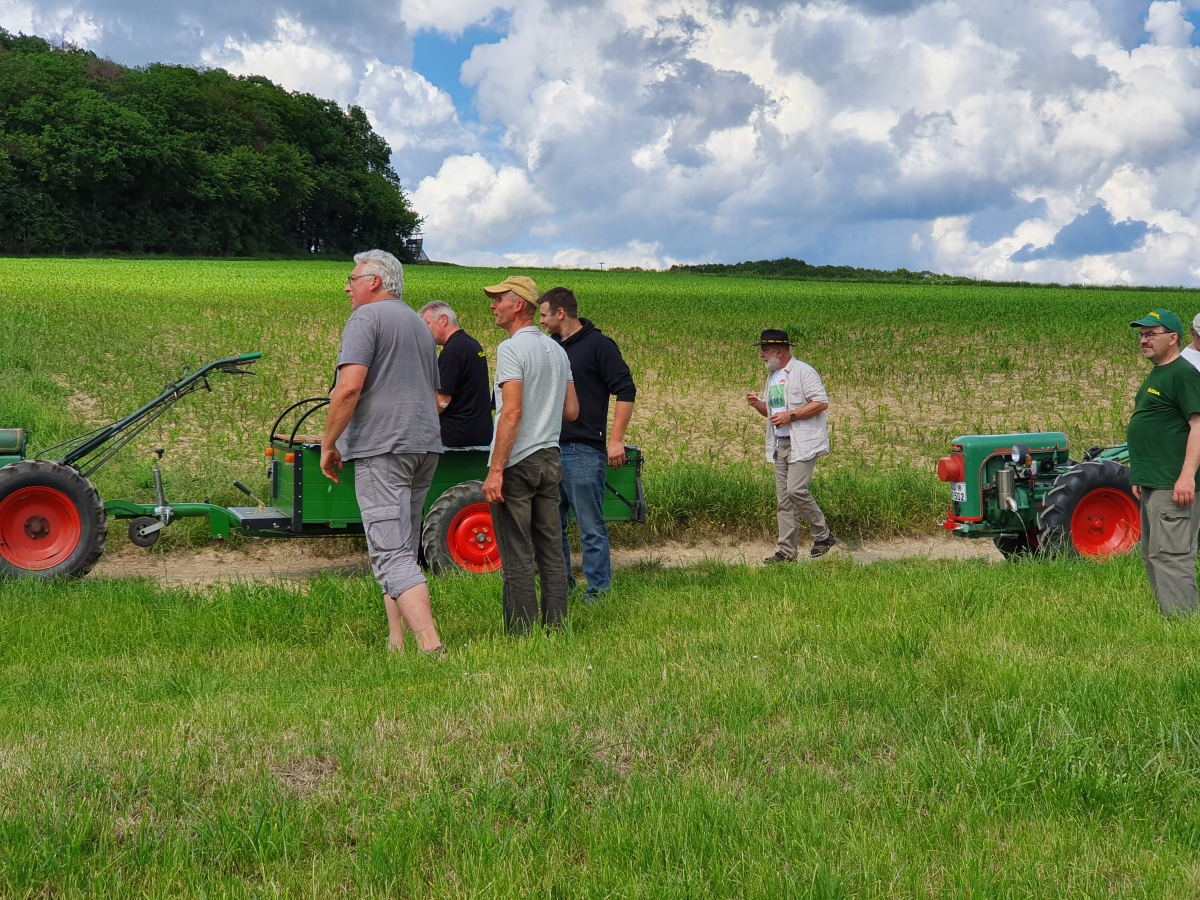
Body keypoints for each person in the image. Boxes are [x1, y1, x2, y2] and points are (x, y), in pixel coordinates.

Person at [320, 249, 445, 654]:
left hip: (383, 446)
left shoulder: (366, 318)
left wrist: (329, 443)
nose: (347, 287)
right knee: (403, 547)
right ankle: (397, 642)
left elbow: (349, 387)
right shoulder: (419, 325)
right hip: (424, 444)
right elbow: (433, 392)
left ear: (374, 281)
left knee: (390, 552)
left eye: (352, 279)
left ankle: (431, 646)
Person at [482, 275, 580, 635]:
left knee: (517, 553)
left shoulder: (510, 349)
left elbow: (511, 412)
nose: (493, 306)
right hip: (551, 459)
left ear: (518, 304)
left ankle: (521, 634)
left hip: (518, 462)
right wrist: (546, 407)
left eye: (499, 300)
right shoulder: (557, 350)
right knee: (551, 550)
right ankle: (557, 627)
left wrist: (496, 471)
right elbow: (571, 410)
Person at [538, 286, 636, 602]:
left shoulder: (598, 346)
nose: (541, 322)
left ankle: (598, 592)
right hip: (550, 449)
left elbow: (626, 389)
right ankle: (560, 589)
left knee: (590, 528)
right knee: (553, 527)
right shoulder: (551, 347)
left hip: (583, 450)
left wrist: (616, 440)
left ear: (561, 313)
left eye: (543, 314)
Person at [1128, 309, 1200, 616]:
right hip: (1153, 481)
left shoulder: (1183, 374)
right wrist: (1140, 474)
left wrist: (1186, 476)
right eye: (1141, 335)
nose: (1144, 340)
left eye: (1151, 334)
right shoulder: (1160, 373)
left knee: (1172, 555)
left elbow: (1198, 426)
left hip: (1173, 483)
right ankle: (1170, 618)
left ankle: (1183, 623)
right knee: (1154, 554)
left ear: (1173, 338)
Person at [745, 329, 837, 562]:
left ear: (779, 351)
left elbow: (821, 403)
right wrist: (758, 405)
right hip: (780, 444)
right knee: (784, 501)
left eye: (765, 351)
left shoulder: (804, 372)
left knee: (796, 490)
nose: (761, 355)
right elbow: (772, 413)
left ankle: (823, 534)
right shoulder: (773, 377)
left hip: (803, 442)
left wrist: (791, 416)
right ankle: (786, 552)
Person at [419, 301, 494, 447]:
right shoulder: (472, 344)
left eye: (427, 324)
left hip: (456, 433)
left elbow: (441, 403)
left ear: (443, 320)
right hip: (481, 431)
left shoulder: (453, 351)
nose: (424, 331)